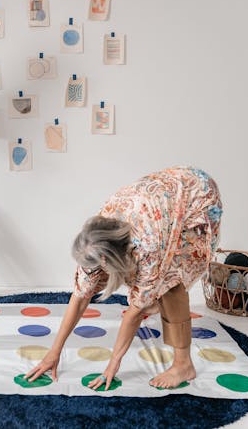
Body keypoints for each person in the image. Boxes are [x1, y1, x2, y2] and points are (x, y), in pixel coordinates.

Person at [26, 166, 223, 389]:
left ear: (111, 258)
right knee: (143, 289)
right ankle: (155, 302)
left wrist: (113, 365)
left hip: (196, 199)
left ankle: (183, 365)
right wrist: (54, 352)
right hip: (165, 198)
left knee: (169, 284)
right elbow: (80, 297)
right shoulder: (97, 234)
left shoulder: (149, 246)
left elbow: (133, 314)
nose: (94, 275)